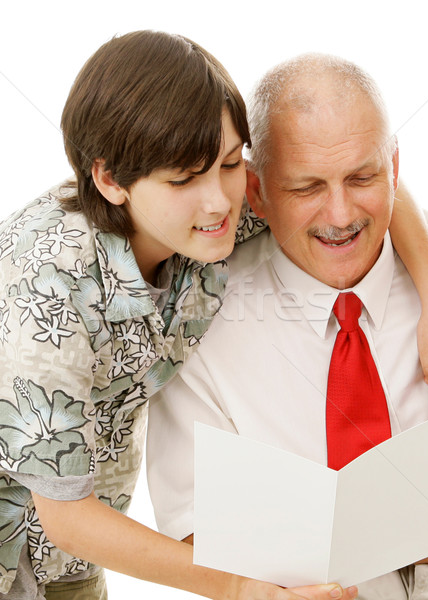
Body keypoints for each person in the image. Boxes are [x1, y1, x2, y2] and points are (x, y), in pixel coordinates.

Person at [0, 31, 366, 600]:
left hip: (69, 564)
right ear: (109, 180)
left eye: (227, 163)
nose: (220, 198)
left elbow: (361, 180)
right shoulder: (47, 286)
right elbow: (65, 514)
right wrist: (247, 590)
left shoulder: (205, 220)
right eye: (183, 179)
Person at [147, 53, 428, 600]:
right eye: (307, 188)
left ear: (394, 169)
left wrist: (325, 531)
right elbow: (197, 524)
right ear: (257, 192)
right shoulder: (197, 323)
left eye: (361, 177)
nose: (340, 216)